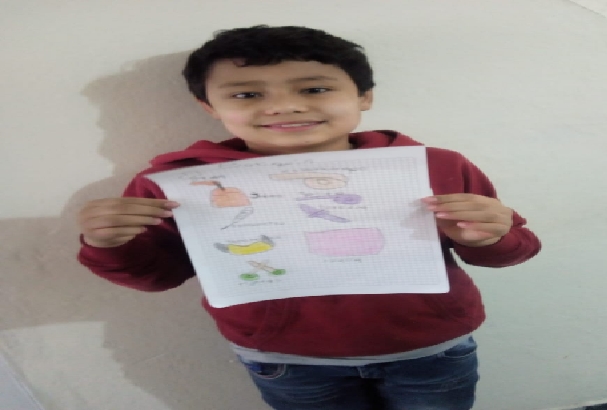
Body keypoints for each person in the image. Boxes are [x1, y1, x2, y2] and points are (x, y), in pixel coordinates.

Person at [77, 25, 541, 410]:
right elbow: (158, 276)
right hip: (289, 360)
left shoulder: (434, 165)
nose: (284, 106)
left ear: (364, 96)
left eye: (315, 89)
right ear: (209, 107)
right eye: (247, 93)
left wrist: (490, 237)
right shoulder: (179, 183)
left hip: (430, 348)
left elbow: (512, 248)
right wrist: (110, 244)